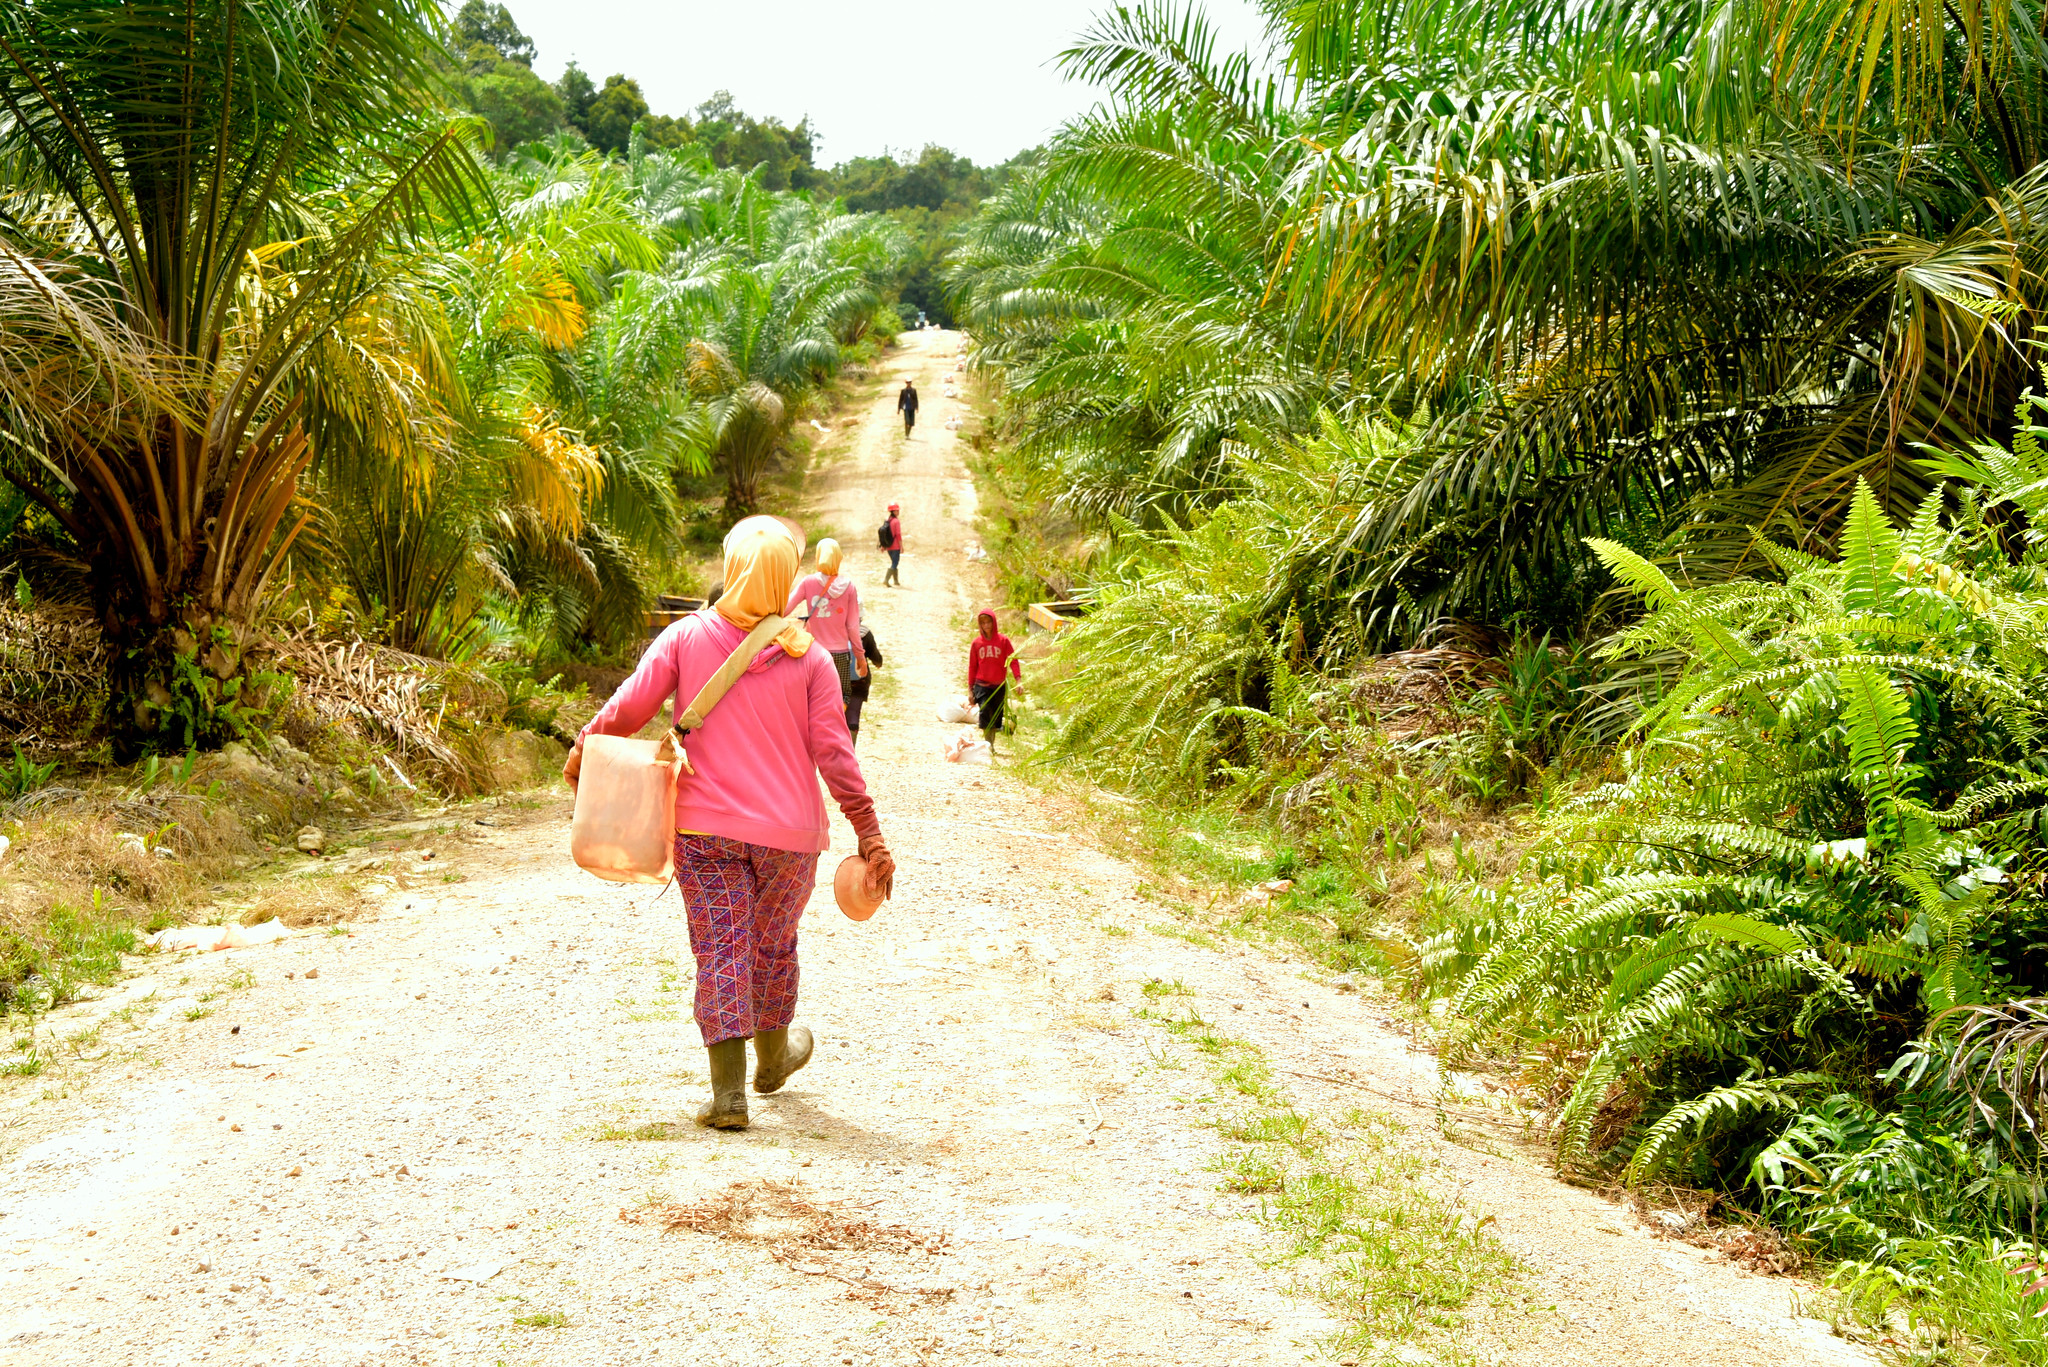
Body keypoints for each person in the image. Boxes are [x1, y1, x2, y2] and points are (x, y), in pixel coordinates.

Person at [563, 516, 896, 1131]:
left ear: (732, 571)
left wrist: (586, 744)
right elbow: (835, 755)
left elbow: (631, 704)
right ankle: (775, 1055)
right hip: (791, 840)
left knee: (721, 945)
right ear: (786, 584)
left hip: (704, 832)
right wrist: (868, 830)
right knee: (773, 944)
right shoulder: (813, 660)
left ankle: (729, 1097)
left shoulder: (685, 639)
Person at [786, 538, 869, 746]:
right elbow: (852, 627)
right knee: (842, 697)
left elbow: (785, 609)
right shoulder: (849, 587)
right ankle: (831, 738)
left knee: (811, 697)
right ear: (838, 558)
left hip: (813, 653)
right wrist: (860, 657)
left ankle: (810, 738)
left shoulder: (808, 583)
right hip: (840, 654)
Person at [966, 608, 1022, 755]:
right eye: (983, 623)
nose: (986, 626)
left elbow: (1013, 660)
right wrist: (970, 690)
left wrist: (1018, 680)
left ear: (994, 622)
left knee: (996, 715)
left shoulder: (1003, 641)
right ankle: (988, 744)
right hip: (981, 685)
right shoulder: (976, 643)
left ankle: (991, 742)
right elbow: (972, 666)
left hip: (998, 686)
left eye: (988, 622)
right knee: (985, 711)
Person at [881, 502, 903, 587]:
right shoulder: (896, 521)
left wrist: (883, 546)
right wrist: (901, 546)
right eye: (896, 510)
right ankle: (886, 580)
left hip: (888, 546)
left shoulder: (887, 521)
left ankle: (896, 581)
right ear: (893, 511)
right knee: (895, 563)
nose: (898, 512)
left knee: (894, 562)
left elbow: (884, 534)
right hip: (895, 546)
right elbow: (898, 534)